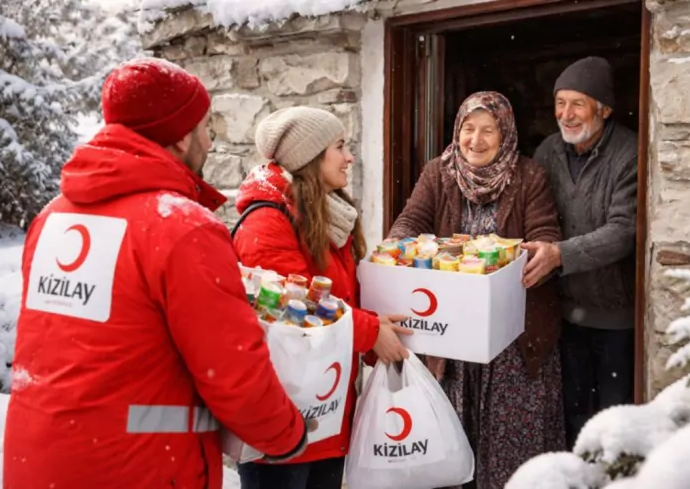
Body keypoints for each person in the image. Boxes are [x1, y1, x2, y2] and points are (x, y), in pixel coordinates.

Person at [3, 58, 310, 489]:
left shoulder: (54, 216)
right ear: (182, 135)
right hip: (138, 467)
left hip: (39, 459)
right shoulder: (182, 228)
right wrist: (286, 435)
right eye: (206, 127)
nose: (210, 141)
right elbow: (233, 372)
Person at [388, 91, 566, 488]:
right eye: (468, 128)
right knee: (454, 438)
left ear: (506, 135)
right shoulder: (439, 173)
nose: (476, 140)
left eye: (488, 130)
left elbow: (544, 233)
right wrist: (399, 248)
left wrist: (537, 257)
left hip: (512, 336)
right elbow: (411, 221)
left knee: (512, 449)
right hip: (454, 333)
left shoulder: (529, 175)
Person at [231, 106, 412, 489]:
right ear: (310, 157)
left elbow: (341, 296)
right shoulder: (268, 221)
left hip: (325, 413)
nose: (349, 158)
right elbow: (293, 311)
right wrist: (369, 332)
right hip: (282, 421)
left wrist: (379, 331)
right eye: (340, 146)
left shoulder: (327, 215)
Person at [525, 56, 638, 449]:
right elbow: (532, 210)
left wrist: (559, 254)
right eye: (560, 103)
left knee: (613, 417)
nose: (566, 114)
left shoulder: (629, 154)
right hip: (564, 313)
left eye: (578, 103)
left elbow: (624, 231)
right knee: (573, 413)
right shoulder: (547, 152)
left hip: (616, 317)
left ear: (603, 109)